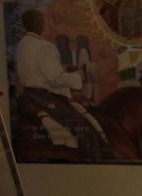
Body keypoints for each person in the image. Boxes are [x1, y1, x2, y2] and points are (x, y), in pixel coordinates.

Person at [12, 8, 101, 152]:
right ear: (41, 25)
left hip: (28, 95)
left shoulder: (23, 44)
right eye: (47, 23)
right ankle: (89, 155)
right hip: (45, 97)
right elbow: (55, 78)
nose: (49, 26)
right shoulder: (46, 47)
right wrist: (78, 77)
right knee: (83, 125)